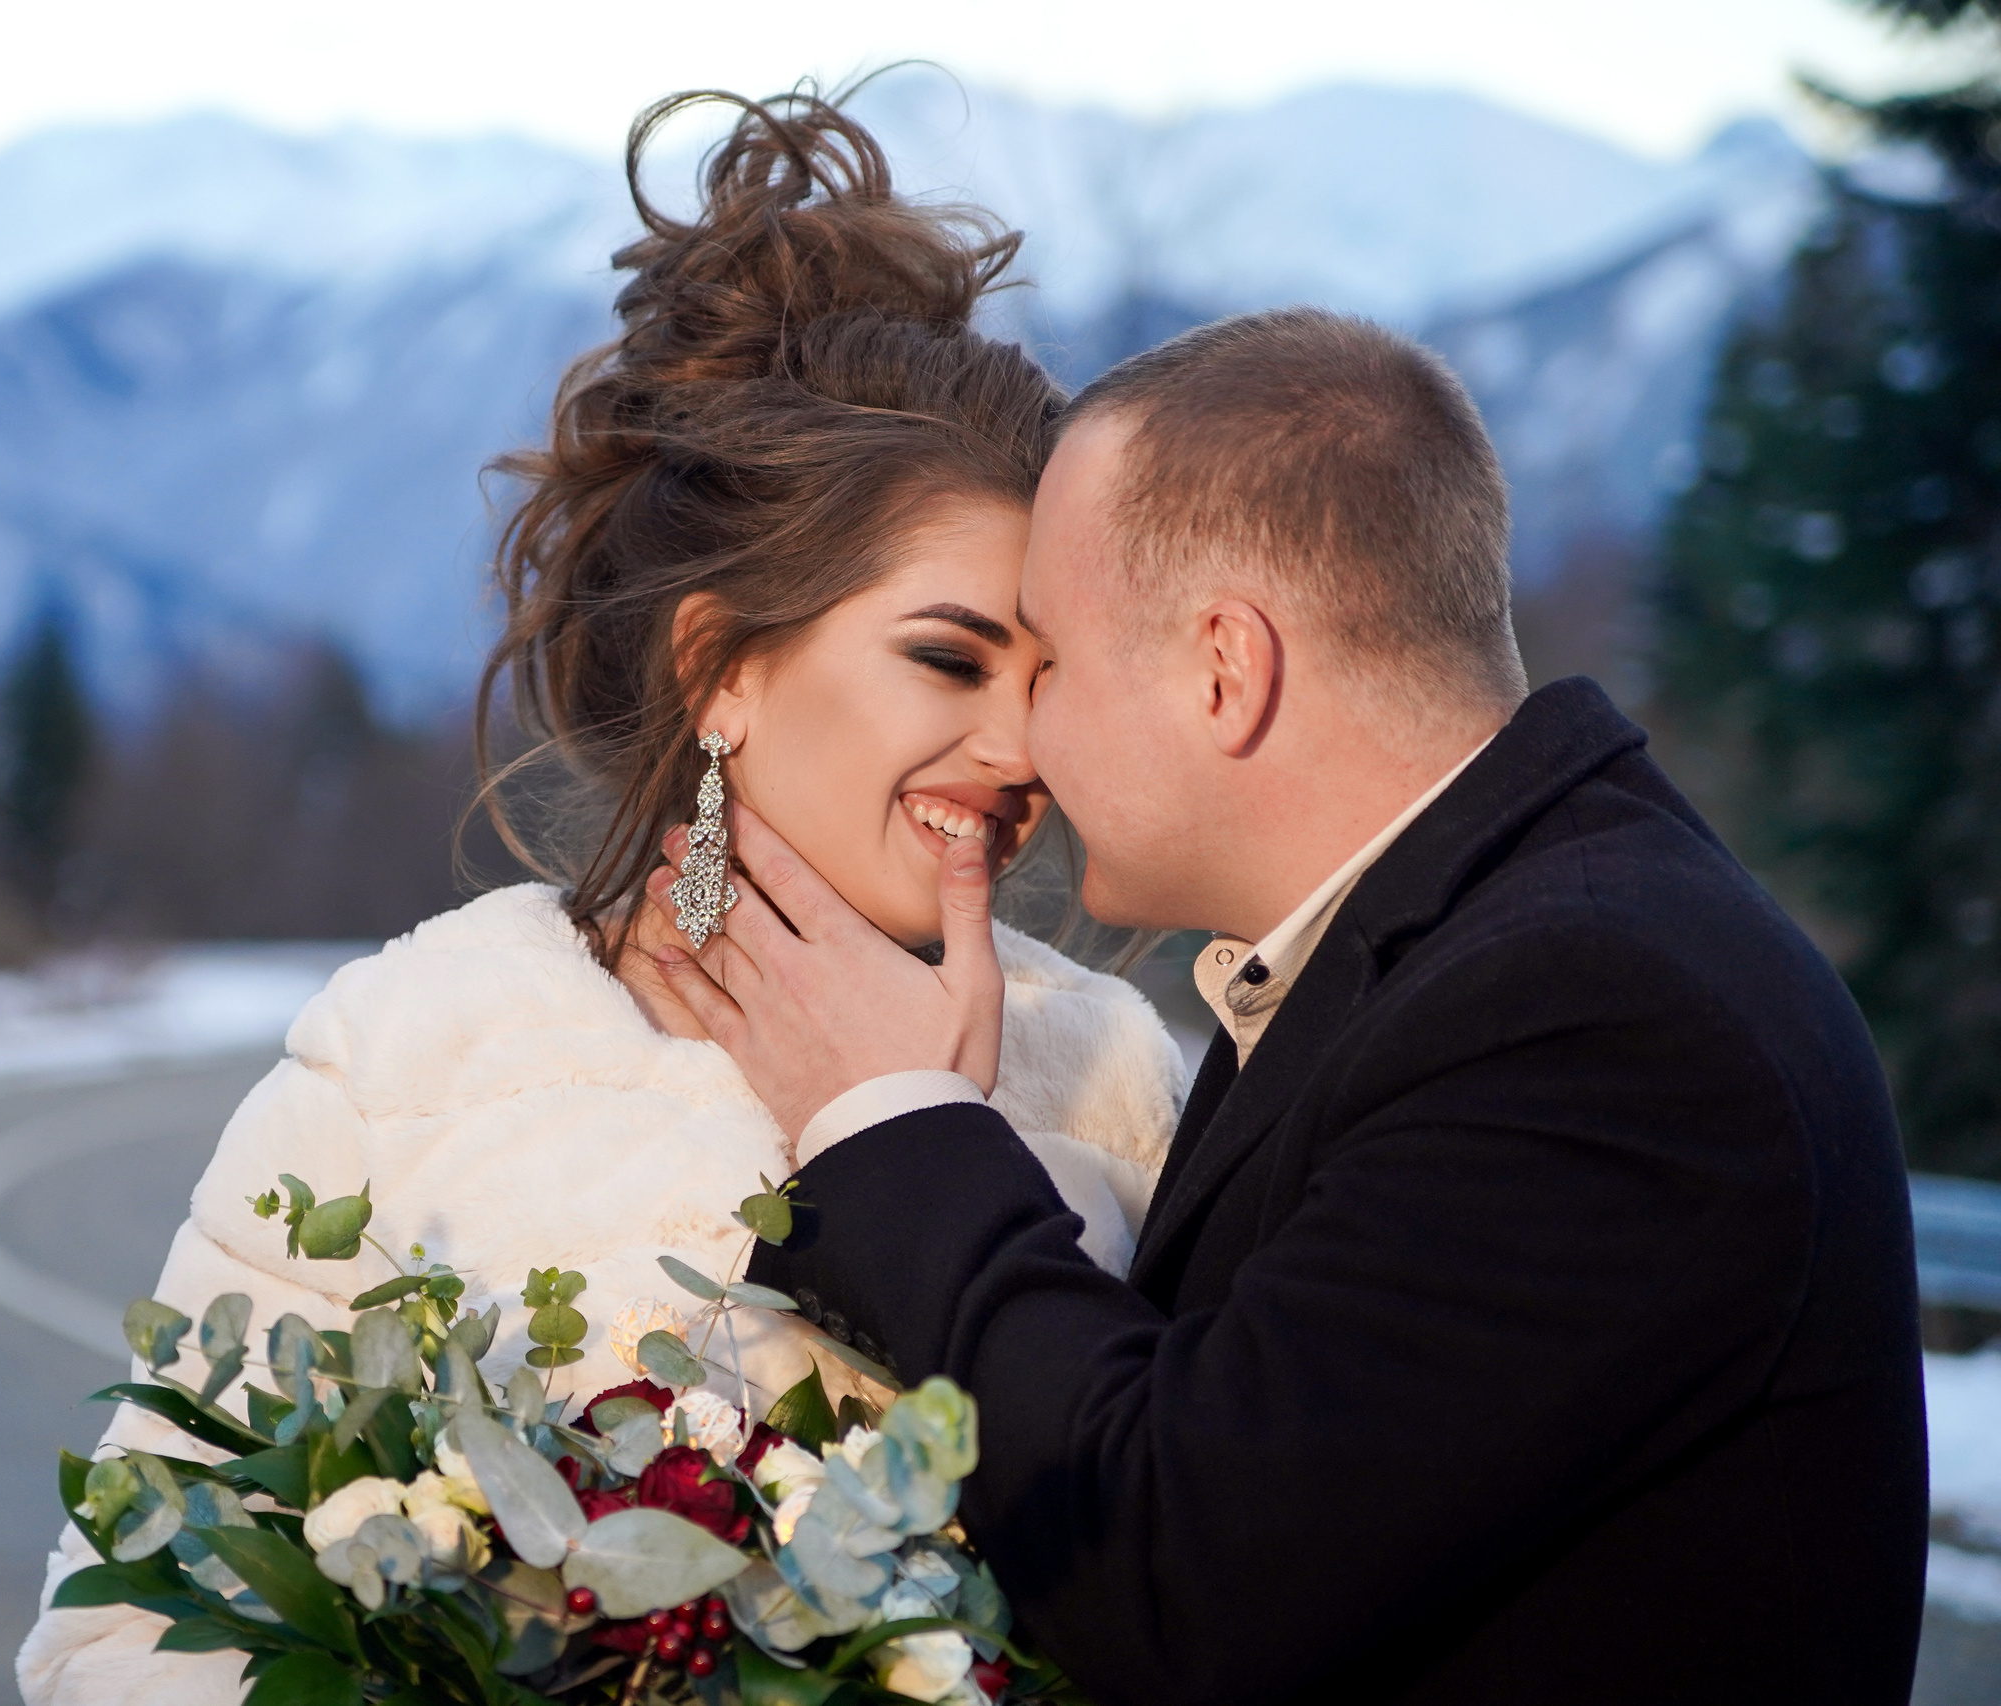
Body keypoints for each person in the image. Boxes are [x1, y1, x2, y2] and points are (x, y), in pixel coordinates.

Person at [14, 90, 1187, 1705]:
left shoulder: (1121, 1073)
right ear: (719, 666)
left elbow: (1222, 1587)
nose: (1016, 743)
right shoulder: (416, 1042)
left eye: (1048, 677)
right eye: (948, 657)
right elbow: (120, 1623)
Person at [655, 310, 1931, 1703]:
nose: (1029, 743)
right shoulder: (1468, 956)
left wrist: (895, 1121)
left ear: (1224, 667)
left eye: (1058, 663)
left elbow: (1194, 1569)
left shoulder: (1600, 1015)